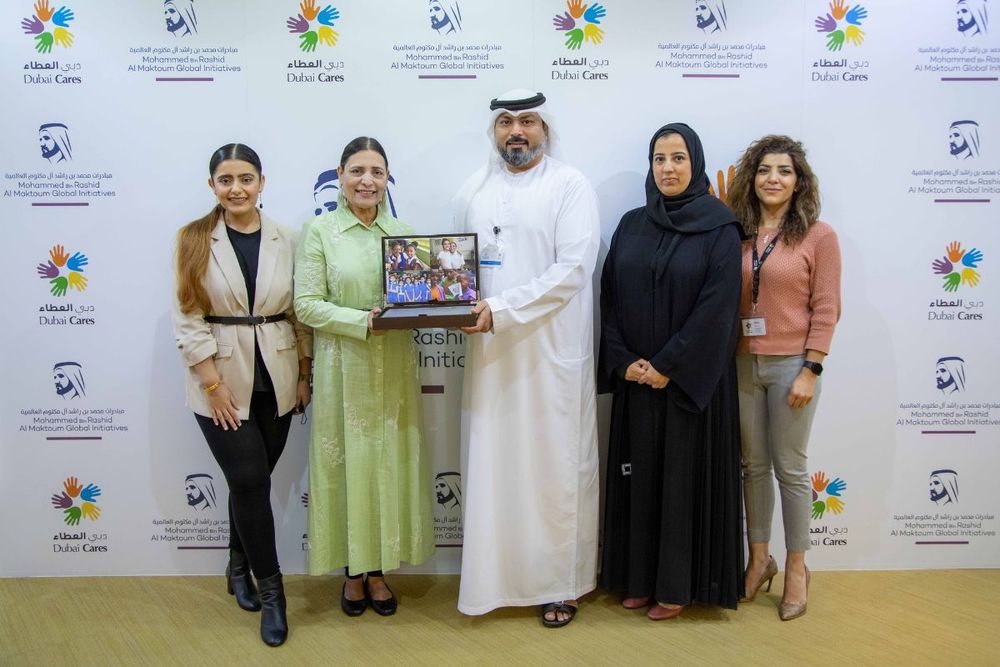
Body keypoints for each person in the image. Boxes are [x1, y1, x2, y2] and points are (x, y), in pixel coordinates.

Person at [454, 89, 600, 627]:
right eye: (506, 122)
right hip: (491, 356)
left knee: (553, 469)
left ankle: (561, 584)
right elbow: (457, 266)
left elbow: (573, 269)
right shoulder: (474, 190)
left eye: (528, 121)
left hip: (548, 354)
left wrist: (503, 308)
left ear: (545, 129)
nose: (516, 131)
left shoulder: (570, 184)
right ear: (495, 131)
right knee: (495, 469)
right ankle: (492, 583)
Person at [598, 123, 745, 621]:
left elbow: (717, 309)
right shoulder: (631, 224)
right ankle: (638, 578)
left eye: (678, 158)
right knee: (637, 480)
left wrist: (668, 365)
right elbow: (610, 300)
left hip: (688, 388)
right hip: (637, 383)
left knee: (681, 483)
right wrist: (624, 361)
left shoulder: (721, 227)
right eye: (659, 159)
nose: (668, 168)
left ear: (695, 163)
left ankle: (677, 587)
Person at [172, 143, 312, 647]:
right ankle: (272, 594)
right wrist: (211, 385)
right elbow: (188, 317)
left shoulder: (288, 238)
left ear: (262, 182)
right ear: (212, 185)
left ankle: (236, 565)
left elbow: (299, 312)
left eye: (246, 178)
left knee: (250, 480)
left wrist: (305, 372)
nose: (237, 189)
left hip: (277, 376)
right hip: (221, 381)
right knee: (250, 480)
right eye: (226, 180)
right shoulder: (193, 238)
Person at [294, 136, 434, 618]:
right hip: (343, 369)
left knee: (387, 466)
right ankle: (352, 573)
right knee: (346, 469)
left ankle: (378, 572)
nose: (367, 181)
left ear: (387, 178)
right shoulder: (320, 231)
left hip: (394, 371)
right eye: (357, 171)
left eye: (377, 172)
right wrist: (363, 322)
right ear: (340, 175)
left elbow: (419, 300)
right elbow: (306, 305)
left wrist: (444, 303)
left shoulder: (403, 234)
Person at [727, 134, 841, 622]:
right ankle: (760, 560)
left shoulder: (818, 236)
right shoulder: (736, 233)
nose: (773, 179)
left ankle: (797, 567)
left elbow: (827, 306)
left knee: (790, 469)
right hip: (742, 363)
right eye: (764, 170)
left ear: (798, 182)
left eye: (784, 171)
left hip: (793, 365)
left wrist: (811, 369)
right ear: (751, 179)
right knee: (752, 466)